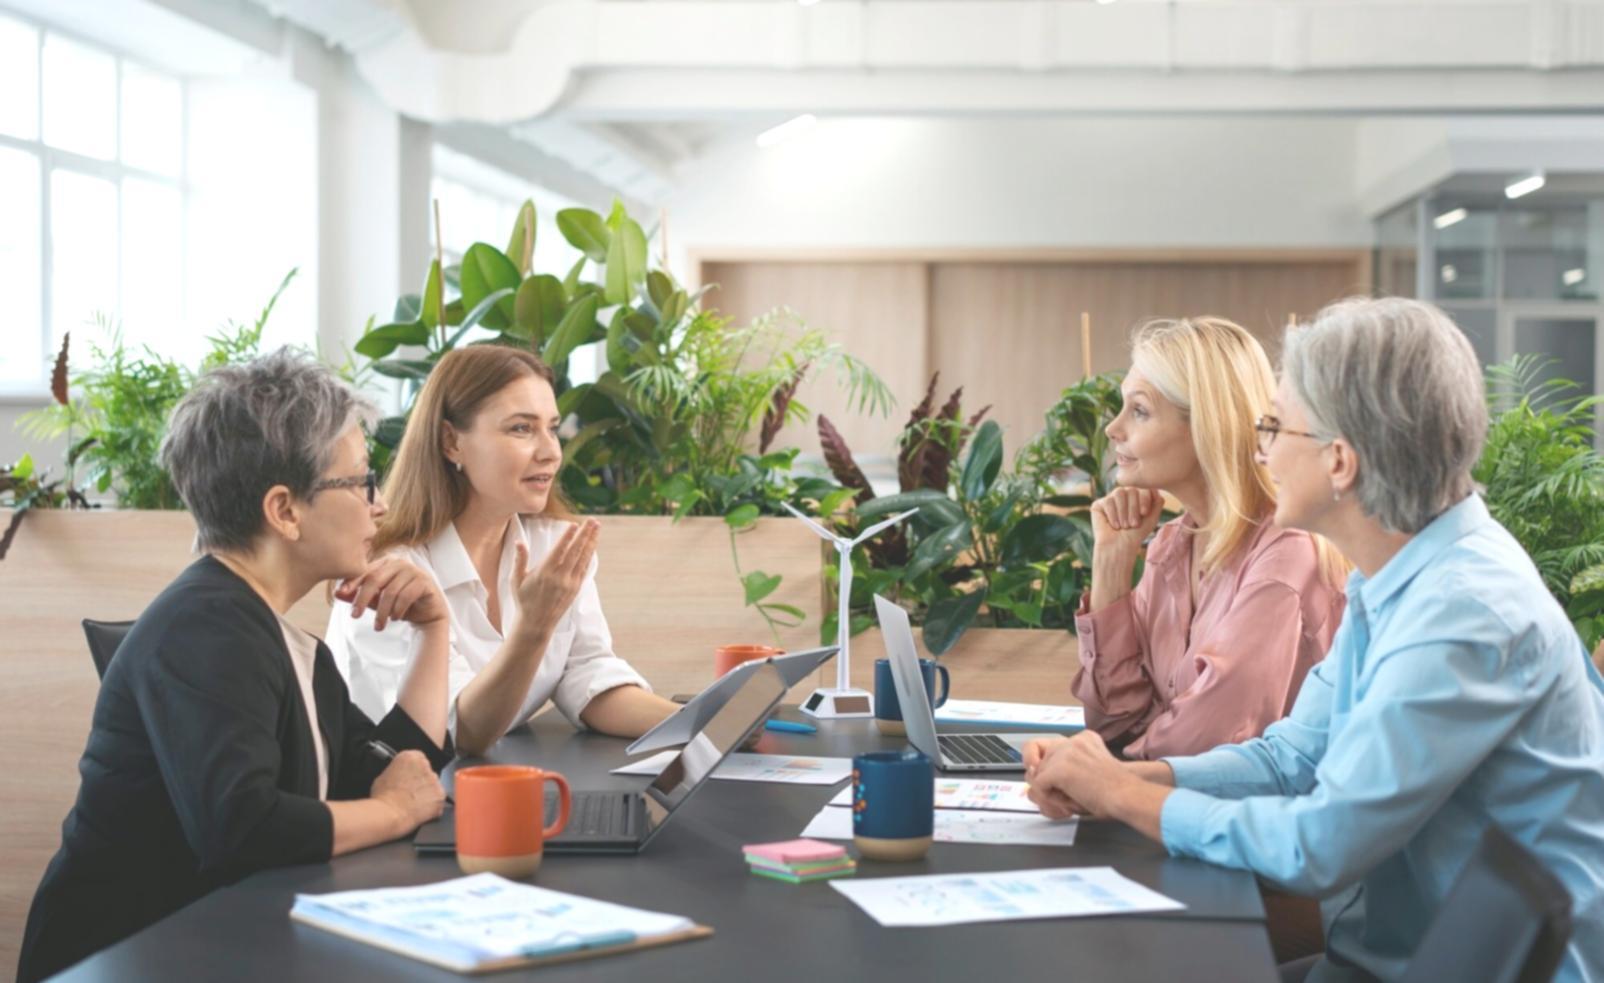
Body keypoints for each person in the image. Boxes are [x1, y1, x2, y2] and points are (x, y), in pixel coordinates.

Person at [1027, 297, 1604, 982]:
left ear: (1339, 461)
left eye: (1273, 426)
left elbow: (1320, 844)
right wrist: (1124, 777)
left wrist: (1123, 795)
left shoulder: (1463, 614)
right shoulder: (1393, 578)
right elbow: (1289, 757)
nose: (1259, 447)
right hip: (1371, 958)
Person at [19, 350, 453, 983]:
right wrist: (395, 812)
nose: (379, 504)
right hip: (127, 961)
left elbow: (395, 766)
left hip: (225, 945)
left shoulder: (279, 639)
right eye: (362, 481)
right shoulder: (203, 628)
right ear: (284, 510)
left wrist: (433, 633)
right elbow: (243, 827)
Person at [327, 346, 678, 756]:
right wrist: (534, 625)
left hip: (483, 785)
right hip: (388, 796)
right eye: (521, 429)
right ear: (451, 442)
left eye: (552, 427)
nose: (550, 451)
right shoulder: (390, 575)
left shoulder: (552, 545)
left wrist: (700, 723)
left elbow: (587, 673)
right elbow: (461, 732)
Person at [1073, 316, 1346, 759]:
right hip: (1168, 809)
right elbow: (1113, 722)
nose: (1113, 428)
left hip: (1252, 822)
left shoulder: (1285, 555)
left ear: (1206, 426)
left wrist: (1097, 774)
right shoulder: (1171, 545)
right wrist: (1111, 560)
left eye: (1139, 410)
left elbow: (1209, 744)